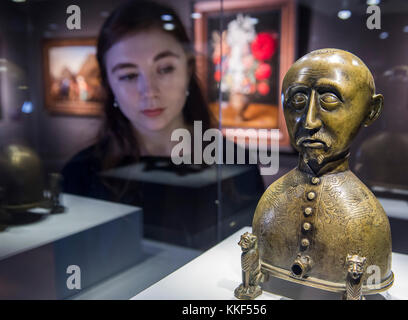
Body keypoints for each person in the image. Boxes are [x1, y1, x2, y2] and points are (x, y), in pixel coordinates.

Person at [62, 0, 264, 249]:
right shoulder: (81, 174)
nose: (149, 92)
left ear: (188, 70)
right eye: (128, 75)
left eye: (165, 69)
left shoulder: (236, 161)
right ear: (109, 84)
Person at [248, 49, 393, 297]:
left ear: (371, 110)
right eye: (298, 101)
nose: (309, 121)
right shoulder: (271, 204)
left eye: (329, 100)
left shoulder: (368, 220)